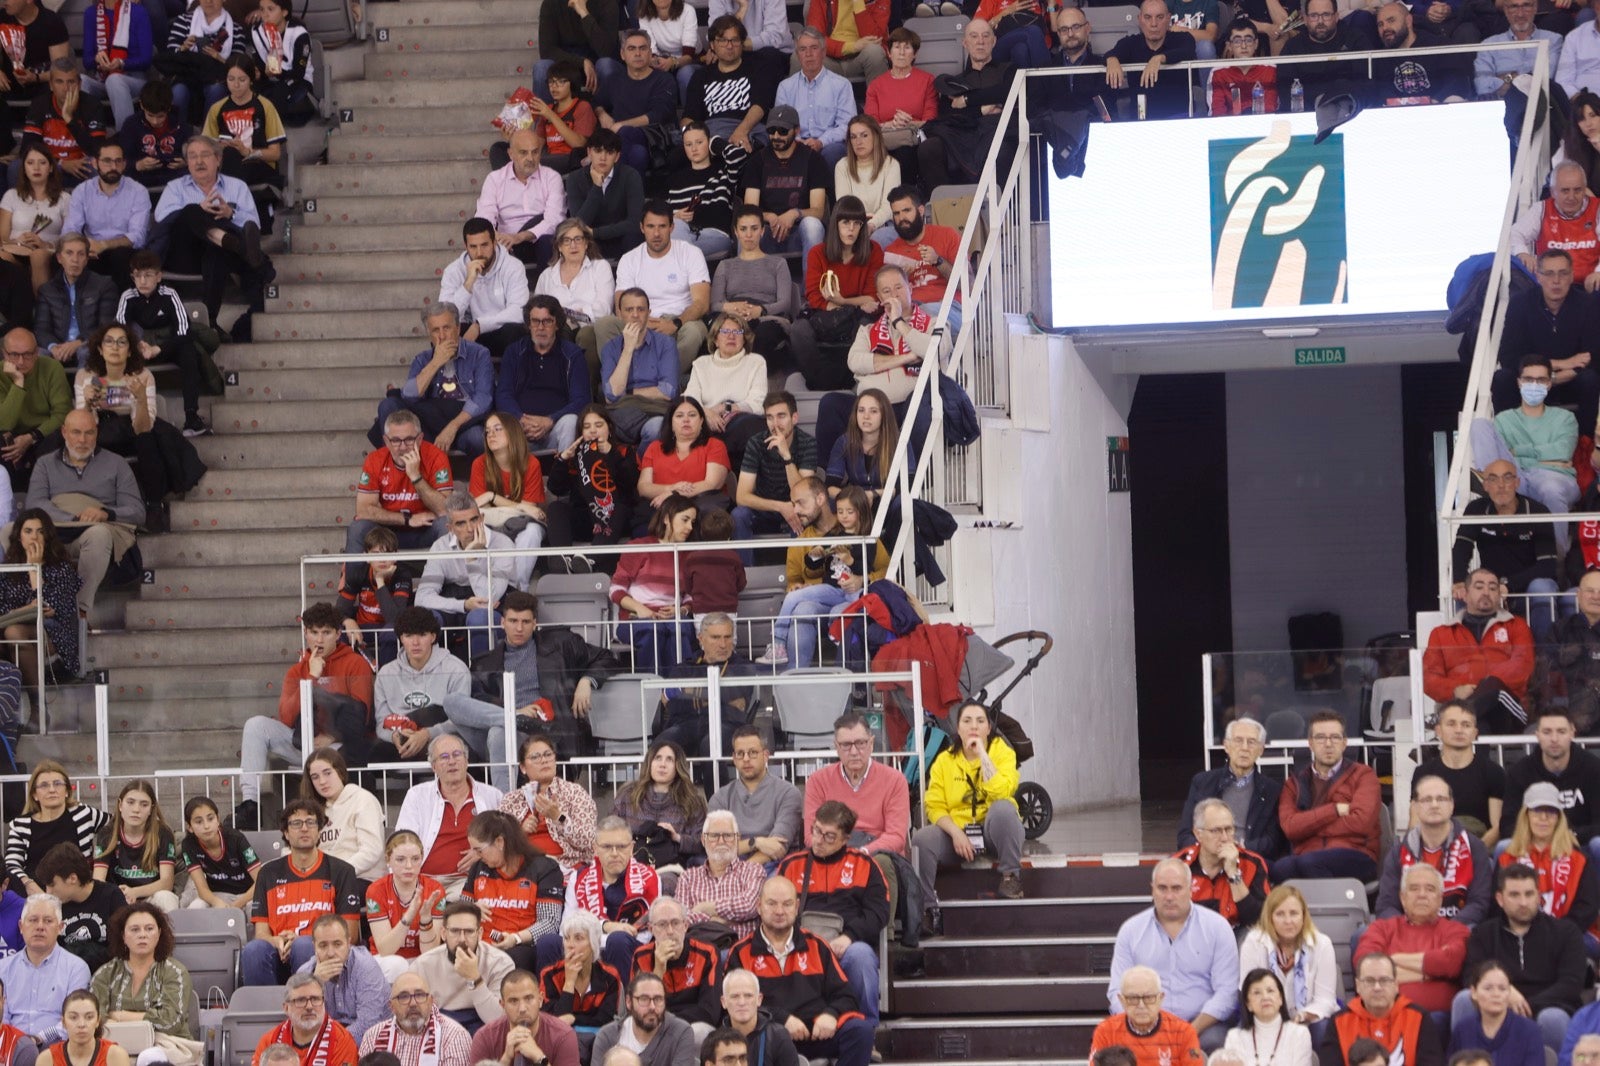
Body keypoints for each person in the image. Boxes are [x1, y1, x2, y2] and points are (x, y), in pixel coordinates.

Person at [234, 601, 375, 830]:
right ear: (305, 633)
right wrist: (311, 678)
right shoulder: (297, 670)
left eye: (326, 633)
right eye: (314, 632)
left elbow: (362, 715)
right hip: (303, 743)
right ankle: (250, 805)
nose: (319, 640)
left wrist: (332, 736)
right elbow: (286, 717)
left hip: (338, 748)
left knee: (350, 745)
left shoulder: (355, 664)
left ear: (338, 634)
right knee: (255, 725)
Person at [726, 878, 872, 1066]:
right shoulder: (740, 952)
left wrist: (831, 1014)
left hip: (815, 1034)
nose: (779, 911)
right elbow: (736, 1004)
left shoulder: (817, 945)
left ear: (796, 907)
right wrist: (782, 1019)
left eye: (787, 904)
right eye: (772, 904)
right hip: (769, 1038)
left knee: (860, 1031)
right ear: (759, 906)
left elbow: (846, 996)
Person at [912, 697, 1025, 936]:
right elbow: (934, 806)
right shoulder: (944, 760)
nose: (974, 726)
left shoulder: (1003, 753)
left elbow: (1002, 792)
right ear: (958, 728)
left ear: (989, 728)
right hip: (959, 835)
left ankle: (1010, 877)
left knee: (1003, 809)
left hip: (993, 832)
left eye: (980, 721)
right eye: (967, 721)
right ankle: (927, 910)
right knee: (922, 839)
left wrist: (982, 754)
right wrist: (955, 833)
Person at [74, 322, 204, 517]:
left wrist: (141, 399)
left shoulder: (143, 375)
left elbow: (143, 427)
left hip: (134, 431)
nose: (115, 347)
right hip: (100, 431)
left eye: (121, 342)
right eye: (109, 342)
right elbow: (83, 425)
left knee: (148, 439)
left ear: (129, 351)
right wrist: (87, 403)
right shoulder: (85, 376)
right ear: (100, 349)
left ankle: (154, 505)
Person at [21, 407, 142, 614]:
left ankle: (77, 612)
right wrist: (72, 518)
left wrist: (106, 513)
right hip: (53, 532)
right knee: (8, 531)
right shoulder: (45, 464)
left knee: (99, 535)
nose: (82, 440)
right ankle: (26, 607)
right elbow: (34, 502)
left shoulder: (117, 464)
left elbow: (137, 511)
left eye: (89, 433)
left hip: (93, 531)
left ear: (97, 433)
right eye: (76, 432)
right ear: (64, 432)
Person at [1110, 858, 1239, 1052]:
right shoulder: (1131, 931)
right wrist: (1145, 1025)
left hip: (1202, 1026)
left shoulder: (1217, 927)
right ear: (1152, 890)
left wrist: (1189, 1031)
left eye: (1176, 888)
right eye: (1162, 888)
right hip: (1144, 1023)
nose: (1169, 896)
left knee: (1214, 1043)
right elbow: (1116, 992)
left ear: (1191, 889)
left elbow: (1227, 993)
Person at [776, 800, 887, 1024]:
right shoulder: (791, 865)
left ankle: (867, 1029)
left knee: (861, 957)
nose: (818, 840)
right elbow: (776, 909)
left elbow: (878, 912)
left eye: (829, 836)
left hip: (847, 946)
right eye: (816, 831)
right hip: (801, 946)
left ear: (846, 839)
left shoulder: (865, 864)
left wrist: (849, 937)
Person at [1456, 863, 1586, 1050]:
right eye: (1514, 895)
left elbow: (1571, 984)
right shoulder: (1483, 933)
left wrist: (1525, 1004)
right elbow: (1471, 976)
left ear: (1538, 896)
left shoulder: (1566, 932)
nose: (1523, 902)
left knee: (1552, 1018)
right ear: (1500, 899)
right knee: (1464, 998)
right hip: (1496, 1004)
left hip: (1548, 1007)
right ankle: (1468, 1060)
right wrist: (1505, 993)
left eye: (1529, 894)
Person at [151, 135, 271, 329]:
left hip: (220, 254)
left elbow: (253, 224)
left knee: (217, 251)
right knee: (190, 211)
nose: (199, 161)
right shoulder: (175, 188)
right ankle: (235, 244)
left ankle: (210, 320)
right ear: (187, 162)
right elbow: (161, 218)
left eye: (205, 155)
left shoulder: (236, 186)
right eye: (193, 156)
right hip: (185, 254)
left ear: (218, 159)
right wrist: (200, 210)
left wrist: (231, 213)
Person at [239, 799, 363, 987]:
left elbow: (350, 934)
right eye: (296, 823)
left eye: (310, 822)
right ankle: (265, 1006)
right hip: (279, 954)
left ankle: (310, 1000)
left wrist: (306, 941)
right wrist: (276, 941)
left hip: (321, 954)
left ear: (319, 830)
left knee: (303, 945)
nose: (304, 828)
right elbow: (261, 933)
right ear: (286, 833)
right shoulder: (268, 873)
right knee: (253, 950)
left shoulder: (342, 871)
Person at [819, 275, 939, 468]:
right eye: (886, 291)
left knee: (919, 403)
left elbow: (936, 350)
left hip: (908, 407)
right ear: (880, 298)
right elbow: (855, 361)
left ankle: (913, 476)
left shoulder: (933, 323)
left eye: (899, 287)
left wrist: (898, 321)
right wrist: (906, 358)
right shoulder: (868, 330)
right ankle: (831, 476)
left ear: (910, 288)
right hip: (872, 408)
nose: (894, 294)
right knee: (830, 403)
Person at [766, 487, 885, 670]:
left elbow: (869, 569)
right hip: (831, 589)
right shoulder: (832, 535)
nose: (844, 516)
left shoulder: (869, 540)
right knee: (794, 597)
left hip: (855, 593)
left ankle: (842, 658)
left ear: (861, 512)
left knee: (839, 612)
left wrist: (851, 562)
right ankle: (778, 642)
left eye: (849, 512)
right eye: (840, 511)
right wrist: (814, 555)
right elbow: (813, 565)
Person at [1471, 355, 1582, 552]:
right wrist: (1548, 458)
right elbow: (1509, 459)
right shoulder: (1504, 419)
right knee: (1479, 424)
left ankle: (1557, 556)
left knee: (1550, 489)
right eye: (1529, 379)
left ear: (1549, 384)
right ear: (1519, 382)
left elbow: (1563, 451)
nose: (1534, 385)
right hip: (1516, 477)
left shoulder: (1565, 418)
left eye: (1541, 380)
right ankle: (1490, 477)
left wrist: (1518, 451)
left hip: (1554, 478)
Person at [597, 202, 712, 377]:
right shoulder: (629, 259)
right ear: (642, 228)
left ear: (672, 227)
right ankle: (620, 379)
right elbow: (621, 306)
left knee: (694, 332)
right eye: (650, 226)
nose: (656, 233)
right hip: (639, 319)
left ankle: (660, 380)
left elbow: (701, 303)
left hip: (680, 320)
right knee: (604, 325)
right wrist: (641, 321)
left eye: (662, 226)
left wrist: (675, 323)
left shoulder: (691, 253)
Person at [1452, 460, 1561, 645]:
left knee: (1542, 588)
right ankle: (1468, 656)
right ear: (1485, 485)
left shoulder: (1537, 511)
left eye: (1507, 478)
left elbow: (1547, 566)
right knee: (1464, 592)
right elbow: (1462, 548)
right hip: (1492, 588)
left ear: (1517, 483)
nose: (1501, 485)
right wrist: (1459, 581)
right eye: (1493, 479)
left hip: (1527, 586)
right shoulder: (1476, 509)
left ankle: (1545, 657)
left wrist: (1508, 585)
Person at [1496, 250, 1600, 441]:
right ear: (1538, 276)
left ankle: (1584, 444)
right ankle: (1507, 441)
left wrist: (1560, 375)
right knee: (1502, 378)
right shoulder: (1520, 303)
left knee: (1590, 379)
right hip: (1531, 381)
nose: (1556, 281)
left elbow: (1593, 355)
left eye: (1563, 273)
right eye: (1549, 273)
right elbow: (1509, 356)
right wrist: (1560, 365)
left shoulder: (1589, 304)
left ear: (1572, 276)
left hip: (1572, 380)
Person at [372, 303, 495, 460]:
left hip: (464, 421)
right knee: (388, 405)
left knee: (478, 438)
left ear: (458, 329)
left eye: (446, 328)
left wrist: (452, 427)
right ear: (429, 334)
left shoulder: (479, 354)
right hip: (430, 423)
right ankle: (395, 468)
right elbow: (409, 396)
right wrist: (436, 362)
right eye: (436, 330)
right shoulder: (423, 359)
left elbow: (483, 399)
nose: (442, 336)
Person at [1427, 564, 1539, 736]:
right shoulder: (1441, 633)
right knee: (1480, 726)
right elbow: (1429, 677)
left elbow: (1522, 667)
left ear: (1499, 595)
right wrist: (1455, 690)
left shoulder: (1517, 625)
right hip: (1465, 707)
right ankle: (1460, 721)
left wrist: (1482, 688)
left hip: (1507, 707)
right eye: (1479, 587)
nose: (1486, 592)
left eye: (1493, 588)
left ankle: (1448, 725)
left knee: (1493, 686)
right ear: (1465, 594)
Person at [1270, 711, 1381, 883]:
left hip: (1356, 853)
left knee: (1310, 863)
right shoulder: (1294, 783)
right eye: (1321, 738)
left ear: (1344, 743)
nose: (1328, 744)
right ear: (1310, 743)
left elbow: (1361, 823)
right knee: (1280, 869)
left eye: (1335, 737)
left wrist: (1307, 827)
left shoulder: (1363, 775)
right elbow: (1290, 828)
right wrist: (1334, 810)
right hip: (1307, 855)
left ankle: (1329, 902)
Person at [790, 198, 884, 394]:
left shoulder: (874, 250)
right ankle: (818, 383)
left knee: (866, 325)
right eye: (845, 222)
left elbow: (872, 297)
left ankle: (852, 380)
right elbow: (814, 295)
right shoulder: (817, 253)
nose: (851, 229)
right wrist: (843, 306)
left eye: (857, 223)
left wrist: (842, 301)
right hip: (826, 314)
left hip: (858, 316)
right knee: (799, 330)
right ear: (836, 224)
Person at [393, 734, 505, 897]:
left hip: (470, 880)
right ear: (434, 766)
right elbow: (402, 840)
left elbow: (506, 841)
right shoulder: (417, 795)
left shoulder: (492, 795)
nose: (452, 761)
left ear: (466, 761)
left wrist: (482, 852)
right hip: (423, 880)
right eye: (444, 757)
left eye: (457, 754)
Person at [115, 250, 209, 438]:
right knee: (116, 351)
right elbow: (119, 330)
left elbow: (184, 330)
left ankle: (191, 416)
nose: (142, 281)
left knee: (188, 350)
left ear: (158, 277)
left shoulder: (169, 294)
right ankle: (122, 419)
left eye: (148, 275)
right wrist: (138, 345)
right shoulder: (128, 296)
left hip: (165, 346)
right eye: (137, 276)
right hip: (138, 349)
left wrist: (158, 349)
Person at [1374, 776, 1492, 926]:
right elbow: (1386, 905)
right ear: (1415, 807)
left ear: (1452, 805)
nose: (1434, 805)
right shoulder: (1398, 852)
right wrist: (1407, 930)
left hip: (1457, 928)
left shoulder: (1474, 847)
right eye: (1427, 800)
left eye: (1441, 799)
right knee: (1362, 934)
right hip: (1409, 929)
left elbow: (1479, 903)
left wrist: (1445, 931)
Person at [410, 495, 516, 660]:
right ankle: (434, 673)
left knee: (479, 617)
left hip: (494, 608)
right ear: (450, 528)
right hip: (457, 603)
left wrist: (471, 558)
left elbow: (488, 597)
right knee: (427, 619)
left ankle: (483, 673)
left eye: (474, 520)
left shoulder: (502, 544)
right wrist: (463, 605)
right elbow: (422, 597)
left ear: (482, 518)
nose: (470, 529)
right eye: (461, 523)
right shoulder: (441, 546)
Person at [1354, 865, 1470, 1014]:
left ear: (1440, 899)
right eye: (1414, 889)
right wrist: (1430, 974)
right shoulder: (1381, 928)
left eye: (1430, 889)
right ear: (1403, 898)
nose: (1422, 895)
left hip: (1436, 1018)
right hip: (1384, 1015)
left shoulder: (1456, 930)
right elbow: (1365, 964)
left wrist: (1393, 960)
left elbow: (1451, 962)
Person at [461, 810, 565, 974]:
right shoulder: (478, 868)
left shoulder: (544, 869)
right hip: (481, 943)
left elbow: (550, 922)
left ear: (500, 842)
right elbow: (457, 913)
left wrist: (516, 938)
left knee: (513, 958)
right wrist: (471, 910)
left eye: (479, 850)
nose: (476, 855)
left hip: (522, 945)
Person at [919, 20, 1017, 189]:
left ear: (994, 41)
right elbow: (948, 116)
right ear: (965, 43)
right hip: (962, 137)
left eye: (986, 36)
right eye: (974, 36)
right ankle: (946, 202)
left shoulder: (1009, 70)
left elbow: (1007, 92)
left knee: (1002, 148)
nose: (980, 41)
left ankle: (996, 203)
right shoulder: (954, 82)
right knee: (929, 147)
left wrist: (966, 100)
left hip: (996, 133)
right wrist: (982, 109)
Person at [558, 818, 660, 978]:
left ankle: (626, 994)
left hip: (627, 948)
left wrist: (601, 938)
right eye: (606, 847)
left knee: (618, 940)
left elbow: (645, 935)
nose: (614, 853)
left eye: (621, 847)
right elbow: (566, 927)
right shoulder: (579, 878)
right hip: (584, 946)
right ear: (595, 848)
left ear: (632, 848)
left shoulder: (649, 878)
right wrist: (605, 926)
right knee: (548, 943)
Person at [1498, 784, 1600, 941]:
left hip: (1570, 934)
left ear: (1559, 818)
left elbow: (1587, 908)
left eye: (1551, 811)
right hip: (1518, 932)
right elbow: (1497, 906)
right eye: (1537, 810)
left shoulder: (1578, 859)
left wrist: (1553, 934)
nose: (1543, 818)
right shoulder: (1507, 858)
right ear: (1526, 815)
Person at [610, 492, 698, 672]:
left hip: (673, 618)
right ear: (666, 519)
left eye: (693, 522)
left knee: (679, 629)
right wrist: (640, 609)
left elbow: (691, 595)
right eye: (685, 520)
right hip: (637, 618)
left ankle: (680, 686)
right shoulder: (639, 547)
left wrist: (681, 609)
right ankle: (652, 686)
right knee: (653, 631)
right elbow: (616, 589)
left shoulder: (689, 554)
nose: (689, 527)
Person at [345, 408, 453, 553]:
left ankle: (446, 568)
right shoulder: (374, 459)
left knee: (446, 523)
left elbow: (445, 510)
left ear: (420, 439)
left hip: (426, 527)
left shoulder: (436, 456)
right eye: (395, 440)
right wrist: (407, 519)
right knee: (358, 527)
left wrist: (416, 477)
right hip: (387, 531)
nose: (403, 447)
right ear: (386, 441)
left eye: (409, 440)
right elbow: (363, 510)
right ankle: (354, 570)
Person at [495, 296, 589, 459]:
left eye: (547, 321)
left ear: (557, 324)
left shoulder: (572, 354)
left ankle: (564, 471)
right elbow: (503, 394)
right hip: (521, 430)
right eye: (535, 321)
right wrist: (521, 419)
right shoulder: (514, 352)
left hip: (555, 428)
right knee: (499, 425)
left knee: (571, 421)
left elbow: (581, 400)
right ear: (528, 324)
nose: (540, 327)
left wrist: (550, 420)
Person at [1178, 718, 1286, 859]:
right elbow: (1185, 835)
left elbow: (1274, 841)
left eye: (1251, 742)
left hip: (1249, 859)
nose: (1245, 748)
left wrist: (1241, 850)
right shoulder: (1203, 782)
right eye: (1238, 741)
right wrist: (1210, 852)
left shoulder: (1272, 790)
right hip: (1207, 859)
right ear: (1226, 746)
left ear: (1261, 750)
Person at [88, 902, 196, 1043]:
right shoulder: (105, 973)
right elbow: (93, 1019)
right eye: (135, 929)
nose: (142, 935)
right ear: (123, 936)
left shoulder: (175, 971)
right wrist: (145, 1019)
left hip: (167, 1044)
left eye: (149, 929)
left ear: (159, 934)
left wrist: (120, 1016)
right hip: (117, 1042)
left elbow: (170, 1022)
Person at [655, 612, 757, 760]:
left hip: (727, 725)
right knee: (661, 747)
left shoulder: (743, 667)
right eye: (715, 637)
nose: (723, 644)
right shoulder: (684, 668)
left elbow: (734, 697)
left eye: (727, 637)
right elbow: (672, 704)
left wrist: (687, 692)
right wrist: (718, 699)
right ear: (701, 639)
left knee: (710, 745)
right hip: (686, 724)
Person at [709, 206, 798, 373]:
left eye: (754, 228)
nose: (748, 235)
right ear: (736, 232)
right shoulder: (725, 265)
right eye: (743, 229)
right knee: (720, 331)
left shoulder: (778, 263)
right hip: (733, 318)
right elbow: (714, 304)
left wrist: (761, 310)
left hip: (767, 318)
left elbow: (785, 303)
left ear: (762, 231)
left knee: (763, 335)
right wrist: (731, 308)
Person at [198, 56, 284, 227]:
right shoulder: (217, 109)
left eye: (242, 80)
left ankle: (230, 215)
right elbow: (205, 150)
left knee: (233, 155)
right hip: (226, 166)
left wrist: (248, 152)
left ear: (251, 80)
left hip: (259, 165)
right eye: (231, 79)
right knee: (228, 155)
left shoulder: (265, 106)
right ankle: (236, 217)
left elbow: (275, 153)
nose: (236, 85)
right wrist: (218, 149)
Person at [1238, 885, 1339, 1030]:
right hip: (1264, 1017)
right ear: (1270, 917)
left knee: (1323, 1028)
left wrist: (1302, 1016)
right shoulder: (1254, 942)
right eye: (1280, 914)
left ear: (1303, 916)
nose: (1288, 921)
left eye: (1294, 913)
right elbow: (1249, 992)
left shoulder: (1322, 944)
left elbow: (1325, 1000)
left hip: (1307, 1020)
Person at [0, 509, 82, 688]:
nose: (34, 537)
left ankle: (38, 702)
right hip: (10, 634)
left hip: (53, 633)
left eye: (40, 531)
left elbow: (54, 609)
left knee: (13, 632)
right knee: (10, 632)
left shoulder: (61, 569)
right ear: (19, 537)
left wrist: (34, 569)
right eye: (28, 531)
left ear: (47, 536)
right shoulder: (8, 570)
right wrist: (24, 610)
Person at [1498, 707, 1600, 849]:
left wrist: (1568, 835)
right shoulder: (1520, 772)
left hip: (1580, 842)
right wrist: (1540, 837)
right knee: (1504, 846)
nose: (1554, 739)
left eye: (1561, 731)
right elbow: (1507, 826)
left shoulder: (1593, 768)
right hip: (1534, 844)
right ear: (1537, 735)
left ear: (1572, 733)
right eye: (1547, 732)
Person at [1317, 953, 1444, 1066]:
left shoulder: (1419, 1017)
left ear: (1396, 985)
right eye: (1369, 980)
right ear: (1358, 985)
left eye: (1384, 980)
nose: (1377, 987)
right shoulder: (1339, 1021)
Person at [730, 392, 816, 557]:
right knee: (739, 515)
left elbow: (804, 495)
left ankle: (799, 570)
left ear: (794, 418)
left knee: (805, 512)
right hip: (764, 508)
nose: (775, 424)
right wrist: (780, 507)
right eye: (770, 417)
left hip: (795, 508)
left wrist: (787, 457)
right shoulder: (756, 443)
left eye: (781, 416)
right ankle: (745, 571)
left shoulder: (807, 443)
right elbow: (741, 497)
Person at [498, 732, 599, 872]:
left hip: (566, 867)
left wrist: (559, 817)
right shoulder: (511, 800)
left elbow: (587, 841)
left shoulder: (574, 793)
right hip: (523, 869)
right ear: (523, 768)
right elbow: (497, 846)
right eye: (535, 757)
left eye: (548, 755)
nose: (544, 760)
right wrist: (519, 832)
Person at [408, 899, 513, 1034]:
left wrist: (474, 978)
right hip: (438, 1025)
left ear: (480, 934)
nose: (462, 939)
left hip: (482, 1025)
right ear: (443, 933)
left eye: (469, 931)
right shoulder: (423, 965)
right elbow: (412, 1018)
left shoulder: (500, 963)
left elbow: (497, 1019)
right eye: (455, 931)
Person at [738, 105, 826, 263]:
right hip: (767, 230)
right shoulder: (757, 161)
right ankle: (747, 278)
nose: (776, 136)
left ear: (797, 130)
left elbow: (818, 211)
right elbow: (749, 210)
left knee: (813, 225)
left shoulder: (812, 159)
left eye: (783, 131)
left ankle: (812, 280)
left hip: (799, 229)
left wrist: (794, 214)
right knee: (748, 226)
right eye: (771, 131)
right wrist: (767, 216)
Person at [3, 762, 109, 891]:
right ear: (34, 794)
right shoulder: (21, 824)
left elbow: (117, 824)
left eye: (58, 784)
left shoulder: (83, 814)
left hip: (77, 892)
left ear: (67, 791)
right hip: (36, 892)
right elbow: (11, 864)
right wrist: (29, 885)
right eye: (44, 785)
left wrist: (101, 857)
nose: (52, 790)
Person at [0, 894, 90, 1045]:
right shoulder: (3, 968)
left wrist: (38, 1039)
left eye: (48, 921)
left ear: (60, 928)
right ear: (21, 927)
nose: (40, 927)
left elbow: (75, 1019)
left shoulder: (76, 969)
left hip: (58, 1048)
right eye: (33, 920)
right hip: (11, 1049)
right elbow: (2, 1018)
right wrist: (18, 1044)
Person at [707, 728, 802, 870]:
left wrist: (743, 872)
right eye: (740, 753)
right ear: (734, 759)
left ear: (766, 755)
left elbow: (778, 847)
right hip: (730, 865)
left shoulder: (788, 793)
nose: (746, 759)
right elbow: (715, 847)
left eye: (752, 752)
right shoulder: (720, 798)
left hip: (775, 865)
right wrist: (756, 842)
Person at [684, 312, 766, 471]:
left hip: (739, 422)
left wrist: (724, 408)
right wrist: (706, 413)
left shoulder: (756, 362)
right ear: (715, 339)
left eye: (737, 332)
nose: (731, 336)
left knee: (750, 426)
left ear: (744, 339)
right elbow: (690, 398)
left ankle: (719, 466)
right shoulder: (701, 364)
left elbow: (757, 404)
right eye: (725, 331)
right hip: (707, 423)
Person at [548, 404, 639, 546]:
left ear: (609, 428)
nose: (593, 431)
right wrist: (563, 459)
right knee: (556, 507)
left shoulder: (623, 451)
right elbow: (556, 488)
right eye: (587, 427)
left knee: (620, 509)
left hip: (616, 519)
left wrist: (611, 453)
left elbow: (631, 481)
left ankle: (594, 557)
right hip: (586, 519)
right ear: (581, 432)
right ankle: (561, 556)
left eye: (598, 425)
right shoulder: (575, 456)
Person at [599, 288, 678, 450]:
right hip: (622, 411)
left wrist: (628, 392)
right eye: (629, 310)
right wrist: (628, 348)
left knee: (656, 427)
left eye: (641, 309)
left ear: (649, 313)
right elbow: (612, 395)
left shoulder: (666, 344)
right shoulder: (610, 348)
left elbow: (668, 391)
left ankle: (636, 464)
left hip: (656, 409)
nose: (635, 315)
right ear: (620, 314)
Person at [61, 142, 147, 292]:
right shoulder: (82, 191)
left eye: (118, 161)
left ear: (124, 164)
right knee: (68, 256)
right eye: (107, 161)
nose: (113, 167)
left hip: (124, 252)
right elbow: (70, 229)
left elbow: (137, 236)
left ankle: (122, 306)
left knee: (120, 256)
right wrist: (83, 248)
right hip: (92, 250)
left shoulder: (138, 191)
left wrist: (104, 245)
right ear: (95, 163)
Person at [475, 129, 565, 271]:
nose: (530, 158)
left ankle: (546, 285)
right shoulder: (495, 179)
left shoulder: (552, 178)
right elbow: (484, 215)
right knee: (486, 242)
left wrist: (519, 237)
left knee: (548, 240)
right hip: (507, 243)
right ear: (511, 154)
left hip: (538, 238)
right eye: (523, 152)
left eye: (535, 152)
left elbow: (554, 220)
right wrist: (495, 236)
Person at [682, 16, 776, 151]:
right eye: (722, 40)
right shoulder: (701, 76)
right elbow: (689, 117)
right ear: (712, 45)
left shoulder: (758, 68)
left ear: (742, 43)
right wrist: (695, 139)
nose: (729, 46)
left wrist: (741, 132)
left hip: (747, 129)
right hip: (711, 133)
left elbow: (760, 106)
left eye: (735, 40)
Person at [1172, 799, 1269, 930]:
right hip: (1190, 935)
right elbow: (1166, 915)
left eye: (1228, 829)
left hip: (1236, 936)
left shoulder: (1252, 863)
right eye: (1216, 831)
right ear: (1198, 834)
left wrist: (1233, 874)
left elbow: (1260, 920)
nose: (1224, 838)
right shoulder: (1178, 865)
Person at [1417, 702, 1506, 844]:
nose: (1459, 730)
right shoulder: (1424, 773)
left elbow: (1497, 827)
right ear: (1438, 730)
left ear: (1475, 733)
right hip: (1435, 848)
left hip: (1480, 848)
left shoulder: (1493, 772)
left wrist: (1471, 852)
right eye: (1451, 724)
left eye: (1466, 725)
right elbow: (1415, 823)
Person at [593, 30, 678, 177]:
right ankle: (628, 191)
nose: (637, 53)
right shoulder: (614, 79)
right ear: (622, 54)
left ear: (650, 53)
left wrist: (621, 125)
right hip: (624, 144)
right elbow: (596, 101)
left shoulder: (664, 80)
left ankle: (607, 179)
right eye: (631, 49)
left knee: (626, 133)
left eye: (643, 48)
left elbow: (658, 115)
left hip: (655, 140)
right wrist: (601, 114)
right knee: (637, 154)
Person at [295, 913, 390, 1043]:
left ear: (348, 943)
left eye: (337, 944)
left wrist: (330, 1044)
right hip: (328, 1040)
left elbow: (368, 1025)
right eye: (323, 945)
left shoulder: (366, 967)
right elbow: (299, 1023)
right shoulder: (305, 973)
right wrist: (315, 985)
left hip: (371, 1042)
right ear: (314, 946)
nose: (330, 953)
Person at [540, 909, 623, 1055]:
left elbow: (606, 1020)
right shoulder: (549, 975)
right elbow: (555, 1023)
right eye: (567, 938)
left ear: (593, 943)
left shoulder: (609, 976)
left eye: (578, 938)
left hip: (598, 1043)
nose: (570, 945)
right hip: (558, 1044)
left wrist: (573, 1018)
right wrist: (569, 982)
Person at [534, 218, 614, 369]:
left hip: (590, 329)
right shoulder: (547, 276)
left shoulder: (600, 268)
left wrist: (571, 314)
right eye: (567, 240)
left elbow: (604, 309)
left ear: (586, 243)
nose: (573, 245)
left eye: (578, 239)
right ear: (559, 246)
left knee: (584, 335)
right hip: (557, 329)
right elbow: (537, 310)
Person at [612, 741, 707, 866]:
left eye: (669, 759)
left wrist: (676, 837)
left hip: (671, 866)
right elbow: (609, 831)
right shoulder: (628, 795)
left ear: (678, 766)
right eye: (658, 758)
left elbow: (702, 842)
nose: (662, 765)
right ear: (649, 763)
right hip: (631, 863)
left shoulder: (692, 801)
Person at [91, 778, 179, 912]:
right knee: (100, 897)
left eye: (144, 804)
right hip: (119, 897)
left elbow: (167, 882)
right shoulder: (107, 833)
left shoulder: (163, 833)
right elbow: (98, 880)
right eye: (130, 802)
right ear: (120, 805)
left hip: (150, 897)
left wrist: (135, 892)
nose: (136, 809)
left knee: (166, 897)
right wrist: (119, 894)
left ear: (151, 809)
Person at [301, 748, 386, 884]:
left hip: (362, 879)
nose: (322, 781)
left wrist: (337, 873)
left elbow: (371, 851)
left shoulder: (363, 800)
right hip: (323, 881)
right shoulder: (314, 810)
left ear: (340, 772)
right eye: (315, 777)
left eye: (327, 773)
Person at [882, 187, 962, 331]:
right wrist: (902, 279)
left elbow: (966, 283)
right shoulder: (891, 251)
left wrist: (938, 261)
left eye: (907, 210)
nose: (901, 218)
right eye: (896, 213)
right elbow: (889, 297)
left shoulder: (947, 235)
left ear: (920, 210)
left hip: (949, 307)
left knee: (921, 314)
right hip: (910, 310)